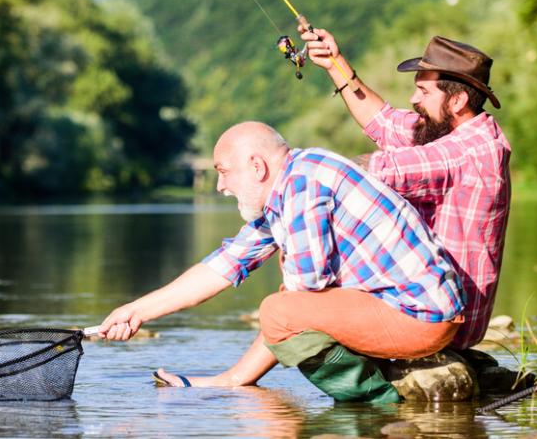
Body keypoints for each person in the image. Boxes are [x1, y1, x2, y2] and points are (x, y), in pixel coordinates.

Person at [98, 122, 465, 402]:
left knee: (280, 308)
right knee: (284, 304)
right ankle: (236, 378)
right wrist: (137, 310)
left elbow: (302, 292)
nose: (220, 187)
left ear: (257, 166)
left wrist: (238, 373)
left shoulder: (303, 186)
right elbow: (223, 265)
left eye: (223, 171)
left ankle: (378, 399)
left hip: (420, 317)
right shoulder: (292, 182)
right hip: (412, 310)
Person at [299, 29, 511, 350]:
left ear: (457, 100)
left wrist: (300, 176)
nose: (414, 100)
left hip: (446, 323)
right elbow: (383, 122)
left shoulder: (470, 150)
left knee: (297, 308)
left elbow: (380, 170)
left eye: (423, 92)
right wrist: (334, 63)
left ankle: (370, 389)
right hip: (435, 306)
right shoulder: (453, 129)